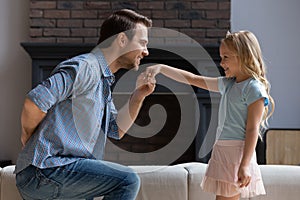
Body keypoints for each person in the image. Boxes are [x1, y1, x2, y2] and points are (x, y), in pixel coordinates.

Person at [15, 9, 154, 200]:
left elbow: (116, 130)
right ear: (122, 40)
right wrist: (27, 136)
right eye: (142, 43)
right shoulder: (86, 67)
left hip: (57, 173)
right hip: (45, 171)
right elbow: (35, 101)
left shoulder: (103, 80)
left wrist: (138, 96)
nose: (146, 51)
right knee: (128, 180)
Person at [145, 30, 275, 200]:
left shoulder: (253, 89)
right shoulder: (228, 84)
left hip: (237, 153)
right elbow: (192, 78)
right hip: (222, 150)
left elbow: (252, 129)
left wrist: (244, 165)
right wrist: (161, 68)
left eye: (226, 57)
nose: (221, 63)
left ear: (244, 56)